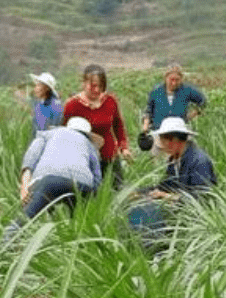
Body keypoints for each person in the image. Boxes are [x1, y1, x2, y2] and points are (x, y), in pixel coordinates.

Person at [127, 116, 217, 245]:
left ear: (174, 140)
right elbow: (166, 186)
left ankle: (155, 249)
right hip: (177, 210)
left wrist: (168, 197)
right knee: (139, 204)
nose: (161, 146)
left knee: (149, 210)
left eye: (162, 141)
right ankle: (142, 245)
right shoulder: (174, 159)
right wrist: (140, 193)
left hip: (196, 219)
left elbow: (203, 198)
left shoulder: (199, 161)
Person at [19, 116, 103, 220]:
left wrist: (25, 187)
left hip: (50, 181)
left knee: (25, 220)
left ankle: (9, 234)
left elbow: (30, 159)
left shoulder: (48, 134)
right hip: (82, 186)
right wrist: (90, 197)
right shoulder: (90, 146)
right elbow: (97, 177)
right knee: (77, 225)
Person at [62, 63, 131, 187]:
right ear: (84, 83)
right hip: (84, 159)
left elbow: (118, 125)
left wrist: (123, 146)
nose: (97, 90)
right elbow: (63, 132)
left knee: (117, 190)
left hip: (109, 156)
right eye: (93, 86)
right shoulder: (72, 105)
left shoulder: (110, 101)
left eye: (100, 86)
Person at [141, 64, 206, 132]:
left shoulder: (187, 90)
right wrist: (145, 125)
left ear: (181, 79)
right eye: (171, 79)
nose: (174, 83)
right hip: (159, 131)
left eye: (177, 80)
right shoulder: (156, 91)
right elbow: (148, 110)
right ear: (165, 78)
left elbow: (202, 102)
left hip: (180, 131)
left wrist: (192, 115)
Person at [29, 71, 64, 136]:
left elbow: (55, 130)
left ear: (47, 88)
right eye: (36, 86)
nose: (36, 89)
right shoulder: (38, 106)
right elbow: (35, 130)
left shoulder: (56, 107)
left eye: (39, 85)